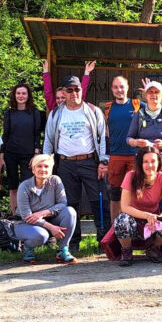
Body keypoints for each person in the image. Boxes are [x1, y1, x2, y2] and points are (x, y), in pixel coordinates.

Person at [42, 75, 108, 253]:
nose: (73, 93)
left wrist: (103, 161)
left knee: (98, 200)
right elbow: (48, 140)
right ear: (64, 92)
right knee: (70, 204)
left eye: (76, 89)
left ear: (81, 90)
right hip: (65, 164)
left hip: (89, 161)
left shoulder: (93, 111)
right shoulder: (56, 114)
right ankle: (73, 241)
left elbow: (102, 138)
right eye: (69, 90)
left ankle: (103, 240)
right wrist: (46, 163)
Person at [114, 146, 162, 266]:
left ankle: (153, 248)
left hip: (154, 221)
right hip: (133, 220)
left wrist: (159, 217)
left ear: (159, 162)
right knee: (121, 221)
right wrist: (147, 215)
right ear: (140, 163)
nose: (150, 165)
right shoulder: (130, 176)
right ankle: (127, 251)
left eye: (153, 161)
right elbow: (124, 207)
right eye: (146, 161)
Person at [15, 154, 78, 264]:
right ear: (33, 169)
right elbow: (26, 216)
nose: (43, 169)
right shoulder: (24, 187)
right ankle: (28, 247)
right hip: (25, 223)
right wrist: (51, 227)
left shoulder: (55, 180)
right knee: (41, 235)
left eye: (46, 166)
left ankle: (62, 250)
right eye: (39, 166)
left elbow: (62, 203)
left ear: (51, 169)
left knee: (70, 212)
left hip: (48, 217)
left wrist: (43, 213)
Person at [104, 75, 144, 221]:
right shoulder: (108, 108)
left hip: (135, 156)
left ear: (127, 88)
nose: (119, 90)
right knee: (115, 195)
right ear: (112, 89)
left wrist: (147, 92)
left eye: (121, 86)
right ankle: (115, 231)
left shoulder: (137, 105)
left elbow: (156, 107)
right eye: (115, 87)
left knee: (134, 194)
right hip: (115, 156)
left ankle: (134, 229)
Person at [1, 83, 44, 216]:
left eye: (24, 93)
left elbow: (37, 134)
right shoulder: (9, 113)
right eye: (18, 93)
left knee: (28, 185)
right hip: (11, 154)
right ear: (14, 95)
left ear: (28, 96)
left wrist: (36, 153)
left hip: (28, 155)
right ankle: (15, 215)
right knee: (13, 186)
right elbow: (5, 135)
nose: (21, 96)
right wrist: (1, 155)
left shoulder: (35, 113)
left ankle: (28, 214)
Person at [126, 81, 162, 179]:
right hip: (144, 164)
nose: (153, 95)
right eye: (150, 92)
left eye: (156, 92)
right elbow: (128, 138)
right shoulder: (139, 115)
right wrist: (137, 142)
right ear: (146, 95)